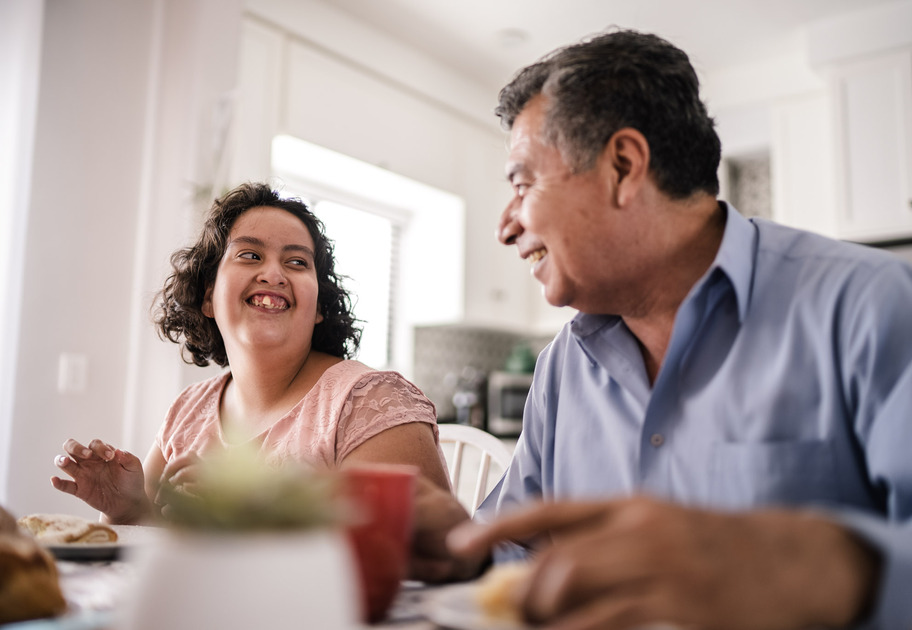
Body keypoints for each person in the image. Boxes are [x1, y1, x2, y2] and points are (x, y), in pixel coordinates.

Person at [442, 28, 912, 630]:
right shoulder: (563, 365)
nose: (506, 227)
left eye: (522, 184)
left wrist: (823, 564)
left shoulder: (870, 306)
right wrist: (452, 552)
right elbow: (515, 553)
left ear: (623, 166)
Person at [50, 182, 451, 526]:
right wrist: (129, 509)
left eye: (297, 262)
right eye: (250, 255)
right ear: (208, 296)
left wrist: (254, 514)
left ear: (320, 308)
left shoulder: (370, 402)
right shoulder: (189, 411)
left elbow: (426, 553)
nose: (274, 274)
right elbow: (161, 553)